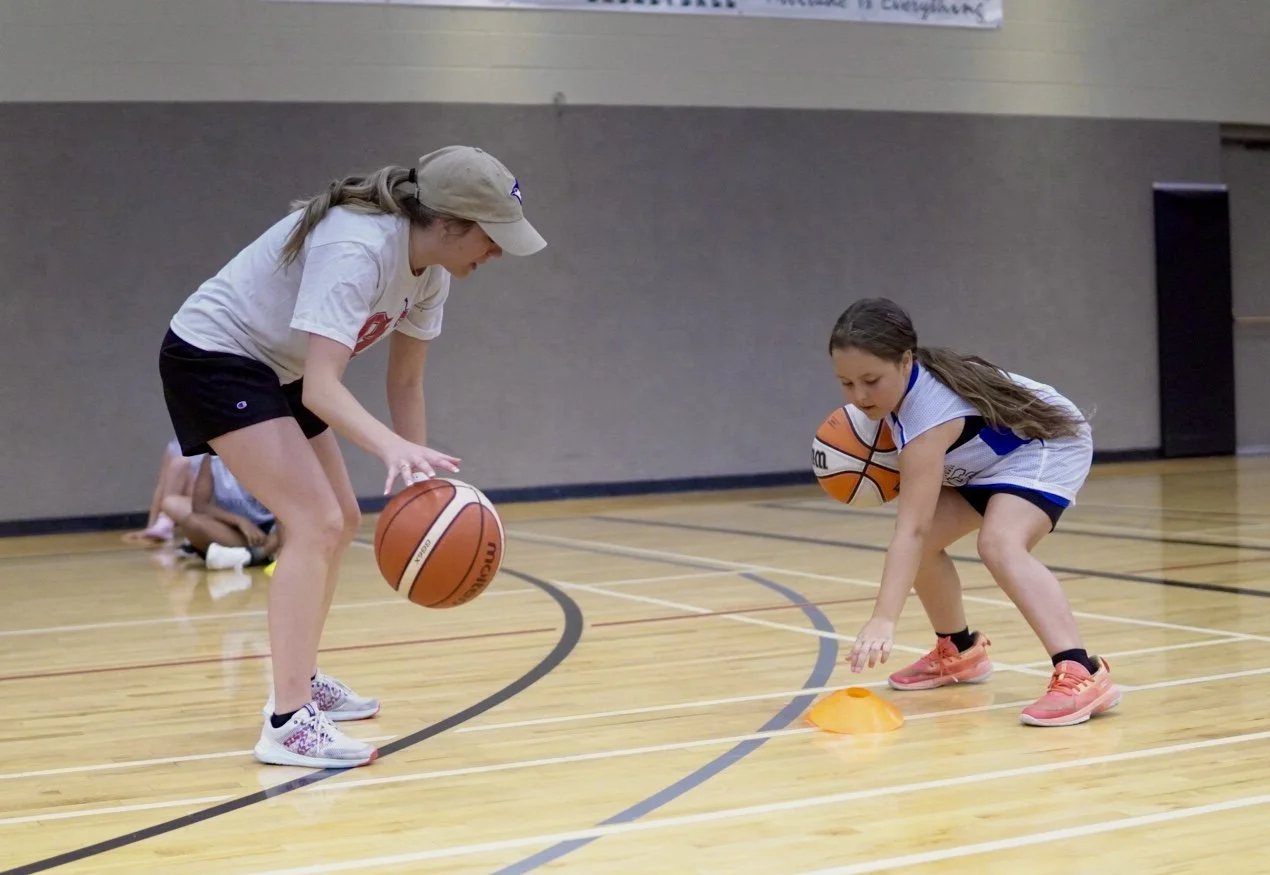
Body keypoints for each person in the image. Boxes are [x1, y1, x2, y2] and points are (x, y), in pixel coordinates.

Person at [158, 145, 546, 768]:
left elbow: (406, 384)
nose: (496, 251)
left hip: (273, 368)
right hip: (215, 356)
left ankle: (301, 678)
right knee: (316, 523)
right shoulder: (358, 247)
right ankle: (287, 723)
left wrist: (417, 480)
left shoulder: (433, 274)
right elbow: (322, 387)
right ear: (447, 223)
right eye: (491, 236)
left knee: (341, 517)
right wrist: (388, 446)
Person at [828, 297, 1120, 727]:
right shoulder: (898, 403)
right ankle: (959, 650)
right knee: (927, 546)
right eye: (846, 384)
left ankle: (1082, 670)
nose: (859, 396)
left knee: (999, 543)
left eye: (871, 380)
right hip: (985, 456)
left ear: (907, 361)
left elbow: (909, 528)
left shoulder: (928, 417)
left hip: (1045, 444)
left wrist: (883, 619)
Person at [161, 453, 282, 571]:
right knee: (191, 523)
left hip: (272, 527)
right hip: (238, 531)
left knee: (289, 528)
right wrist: (240, 521)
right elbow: (200, 506)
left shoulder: (266, 455)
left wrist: (276, 539)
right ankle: (250, 555)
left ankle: (258, 554)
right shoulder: (211, 459)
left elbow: (285, 509)